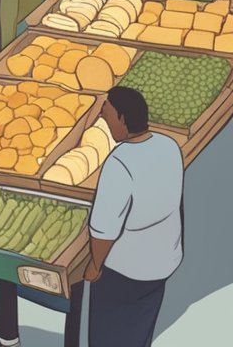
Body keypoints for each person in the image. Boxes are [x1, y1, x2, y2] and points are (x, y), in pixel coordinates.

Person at [85, 86, 184, 347]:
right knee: (139, 329)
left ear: (123, 119)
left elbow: (104, 230)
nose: (104, 121)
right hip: (162, 263)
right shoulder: (169, 145)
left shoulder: (120, 162)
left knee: (110, 335)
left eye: (107, 115)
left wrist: (95, 267)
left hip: (125, 271)